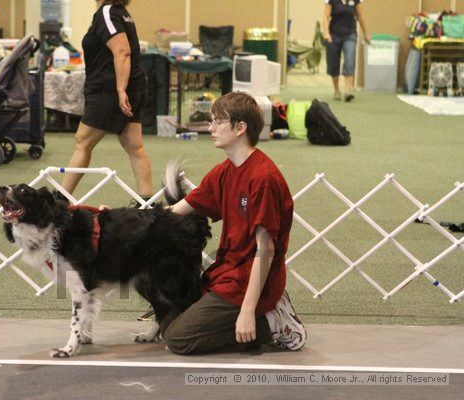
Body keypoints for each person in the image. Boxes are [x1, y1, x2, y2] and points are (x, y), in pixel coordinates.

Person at [160, 92, 307, 354]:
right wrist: (112, 215)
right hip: (227, 273)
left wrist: (248, 311)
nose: (211, 128)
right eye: (211, 121)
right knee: (168, 322)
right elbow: (174, 211)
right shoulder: (225, 170)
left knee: (178, 339)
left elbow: (266, 250)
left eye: (218, 122)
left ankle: (271, 323)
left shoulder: (263, 178)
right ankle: (259, 317)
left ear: (240, 128)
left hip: (250, 281)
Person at [61, 0, 153, 204]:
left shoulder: (108, 13)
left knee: (82, 142)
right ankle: (148, 202)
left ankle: (60, 200)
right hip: (131, 87)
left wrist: (120, 90)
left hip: (110, 91)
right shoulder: (121, 13)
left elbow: (122, 52)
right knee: (134, 145)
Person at [322, 0, 371, 102]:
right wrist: (326, 33)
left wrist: (366, 33)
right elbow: (326, 17)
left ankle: (348, 90)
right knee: (333, 63)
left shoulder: (356, 1)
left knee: (350, 59)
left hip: (350, 34)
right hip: (333, 35)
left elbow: (361, 16)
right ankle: (336, 90)